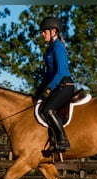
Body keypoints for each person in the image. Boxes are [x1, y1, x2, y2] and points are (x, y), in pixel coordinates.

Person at [35, 17, 75, 153]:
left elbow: (60, 72)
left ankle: (63, 140)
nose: (42, 34)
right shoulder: (49, 50)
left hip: (65, 85)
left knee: (48, 110)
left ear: (53, 31)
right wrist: (38, 92)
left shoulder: (58, 48)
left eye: (44, 32)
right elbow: (48, 75)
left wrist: (48, 90)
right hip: (57, 86)